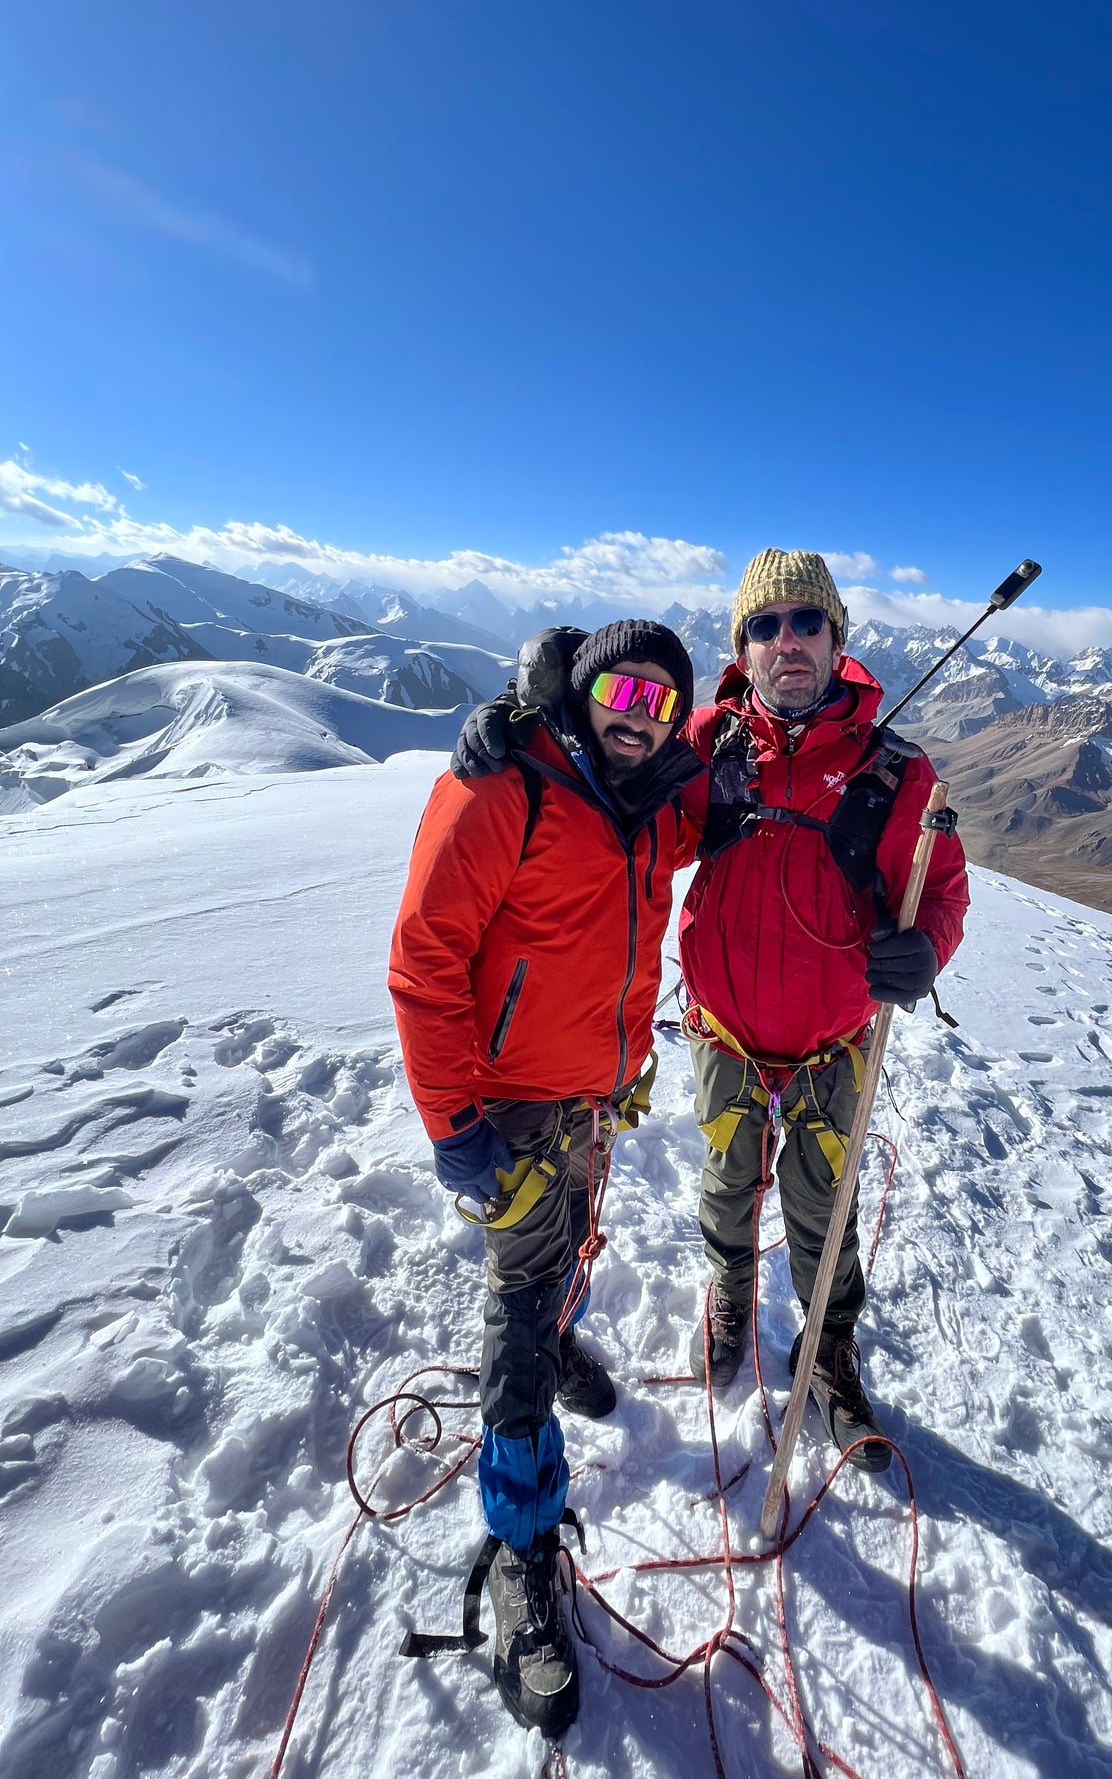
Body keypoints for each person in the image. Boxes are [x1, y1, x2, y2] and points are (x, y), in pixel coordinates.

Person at [389, 619, 700, 1740]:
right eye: (620, 689)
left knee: (563, 1251)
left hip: (589, 1095)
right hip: (510, 1104)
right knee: (519, 1304)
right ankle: (522, 1552)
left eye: (664, 702)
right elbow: (423, 956)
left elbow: (730, 755)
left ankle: (554, 1335)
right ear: (577, 686)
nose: (640, 715)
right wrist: (452, 1119)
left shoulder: (658, 793)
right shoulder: (500, 786)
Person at [677, 549, 968, 1469]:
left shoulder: (895, 775)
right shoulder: (706, 748)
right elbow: (612, 767)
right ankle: (729, 1286)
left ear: (837, 640)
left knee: (820, 1203)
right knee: (730, 1177)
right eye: (764, 626)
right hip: (723, 1029)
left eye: (805, 622)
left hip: (829, 1046)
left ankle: (828, 1345)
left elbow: (941, 893)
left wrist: (927, 947)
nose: (785, 641)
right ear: (743, 648)